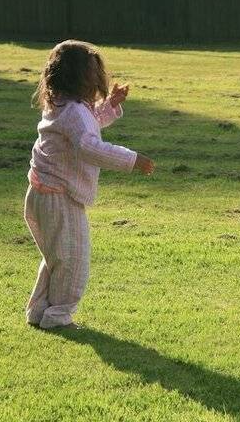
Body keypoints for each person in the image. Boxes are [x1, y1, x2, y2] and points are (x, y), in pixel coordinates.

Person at [24, 40, 154, 329]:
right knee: (73, 261)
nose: (99, 80)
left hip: (41, 194)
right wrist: (132, 160)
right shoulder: (74, 112)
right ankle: (58, 317)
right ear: (82, 78)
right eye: (95, 74)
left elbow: (86, 123)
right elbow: (89, 146)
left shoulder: (61, 105)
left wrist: (110, 106)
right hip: (60, 198)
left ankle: (39, 311)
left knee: (57, 258)